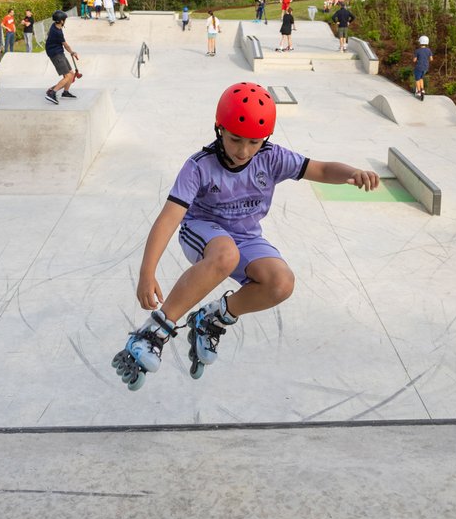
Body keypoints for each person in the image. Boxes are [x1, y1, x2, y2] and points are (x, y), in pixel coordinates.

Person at [111, 82, 380, 389]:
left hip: (247, 236)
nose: (243, 151)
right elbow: (169, 218)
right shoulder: (198, 166)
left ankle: (212, 319)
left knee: (281, 283)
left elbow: (319, 169)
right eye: (235, 140)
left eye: (253, 142)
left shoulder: (272, 157)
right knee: (226, 255)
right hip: (202, 230)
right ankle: (152, 333)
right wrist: (147, 272)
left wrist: (351, 173)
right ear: (219, 129)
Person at [43, 10, 80, 105]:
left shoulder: (54, 26)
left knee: (71, 74)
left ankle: (65, 92)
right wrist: (72, 52)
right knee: (68, 76)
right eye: (64, 19)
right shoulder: (57, 32)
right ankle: (52, 93)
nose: (65, 21)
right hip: (56, 54)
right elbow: (66, 45)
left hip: (58, 52)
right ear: (62, 21)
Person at [412, 35, 433, 100]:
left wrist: (415, 59)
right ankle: (422, 89)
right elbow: (431, 59)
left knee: (417, 79)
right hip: (426, 67)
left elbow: (414, 60)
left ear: (420, 42)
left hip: (419, 67)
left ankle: (418, 91)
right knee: (421, 78)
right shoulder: (429, 50)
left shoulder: (417, 51)